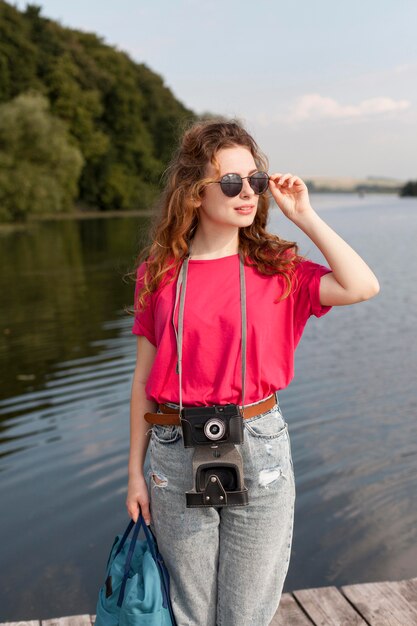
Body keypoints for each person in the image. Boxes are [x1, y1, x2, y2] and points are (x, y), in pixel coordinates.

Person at [126, 119, 380, 626]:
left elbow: (361, 285)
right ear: (195, 193)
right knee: (189, 613)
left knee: (246, 615)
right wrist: (134, 472)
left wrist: (305, 216)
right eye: (230, 182)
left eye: (256, 181)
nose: (247, 193)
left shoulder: (277, 266)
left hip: (259, 444)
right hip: (173, 451)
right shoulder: (160, 271)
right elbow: (141, 383)